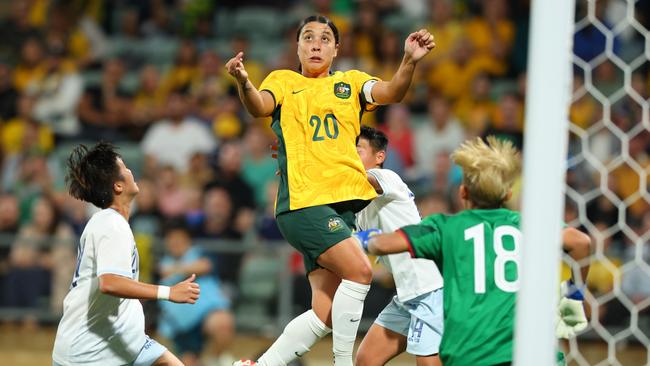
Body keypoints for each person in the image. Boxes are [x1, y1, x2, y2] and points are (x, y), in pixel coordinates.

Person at [225, 14, 435, 366]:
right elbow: (259, 105)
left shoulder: (351, 83)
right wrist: (244, 82)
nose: (316, 44)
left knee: (324, 313)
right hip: (306, 202)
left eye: (325, 39)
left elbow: (392, 92)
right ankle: (342, 363)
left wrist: (408, 61)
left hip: (338, 209)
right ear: (297, 47)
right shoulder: (283, 81)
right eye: (308, 38)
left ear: (337, 49)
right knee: (361, 272)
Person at [354, 137, 592, 366]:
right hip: (532, 350)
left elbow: (385, 244)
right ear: (508, 194)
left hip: (473, 349)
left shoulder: (449, 228)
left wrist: (363, 239)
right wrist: (574, 292)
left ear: (463, 192)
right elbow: (581, 243)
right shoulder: (529, 226)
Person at [52, 142, 200, 366]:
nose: (131, 171)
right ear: (118, 186)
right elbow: (110, 283)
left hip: (127, 344)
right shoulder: (112, 225)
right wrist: (168, 292)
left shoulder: (111, 223)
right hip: (90, 355)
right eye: (125, 168)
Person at [354, 126, 443, 366]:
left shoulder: (386, 177)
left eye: (358, 150)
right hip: (407, 293)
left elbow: (361, 179)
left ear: (379, 157)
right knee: (365, 360)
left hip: (430, 288)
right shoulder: (358, 202)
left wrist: (319, 159)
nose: (351, 156)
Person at [158, 220, 235, 366]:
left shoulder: (199, 254)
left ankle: (217, 360)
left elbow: (205, 265)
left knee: (223, 322)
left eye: (179, 238)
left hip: (208, 315)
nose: (175, 242)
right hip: (181, 326)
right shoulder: (162, 263)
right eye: (171, 239)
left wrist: (174, 270)